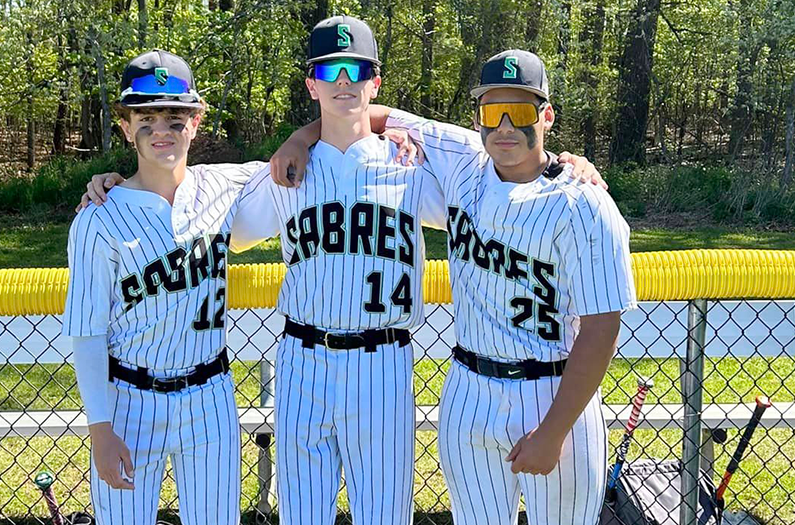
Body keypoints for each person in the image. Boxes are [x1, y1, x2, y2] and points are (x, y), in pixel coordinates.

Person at [79, 28, 602, 525]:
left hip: (384, 359)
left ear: (376, 81)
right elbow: (181, 200)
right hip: (302, 360)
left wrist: (563, 163)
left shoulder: (414, 163)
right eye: (330, 71)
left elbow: (498, 170)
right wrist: (114, 184)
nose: (343, 81)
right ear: (312, 84)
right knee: (303, 513)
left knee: (383, 514)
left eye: (357, 69)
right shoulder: (280, 174)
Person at [366, 49, 637, 525]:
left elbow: (600, 330)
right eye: (493, 112)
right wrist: (302, 139)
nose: (506, 125)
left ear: (547, 116)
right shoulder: (463, 159)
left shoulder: (585, 205)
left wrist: (552, 433)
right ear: (478, 119)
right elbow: (363, 111)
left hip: (554, 392)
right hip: (469, 389)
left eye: (523, 111)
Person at [61, 49, 326, 525]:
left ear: (196, 121)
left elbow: (325, 137)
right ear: (124, 125)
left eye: (175, 116)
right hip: (129, 399)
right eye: (145, 116)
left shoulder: (226, 184)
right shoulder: (97, 218)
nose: (161, 128)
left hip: (210, 394)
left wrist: (302, 134)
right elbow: (87, 330)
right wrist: (100, 428)